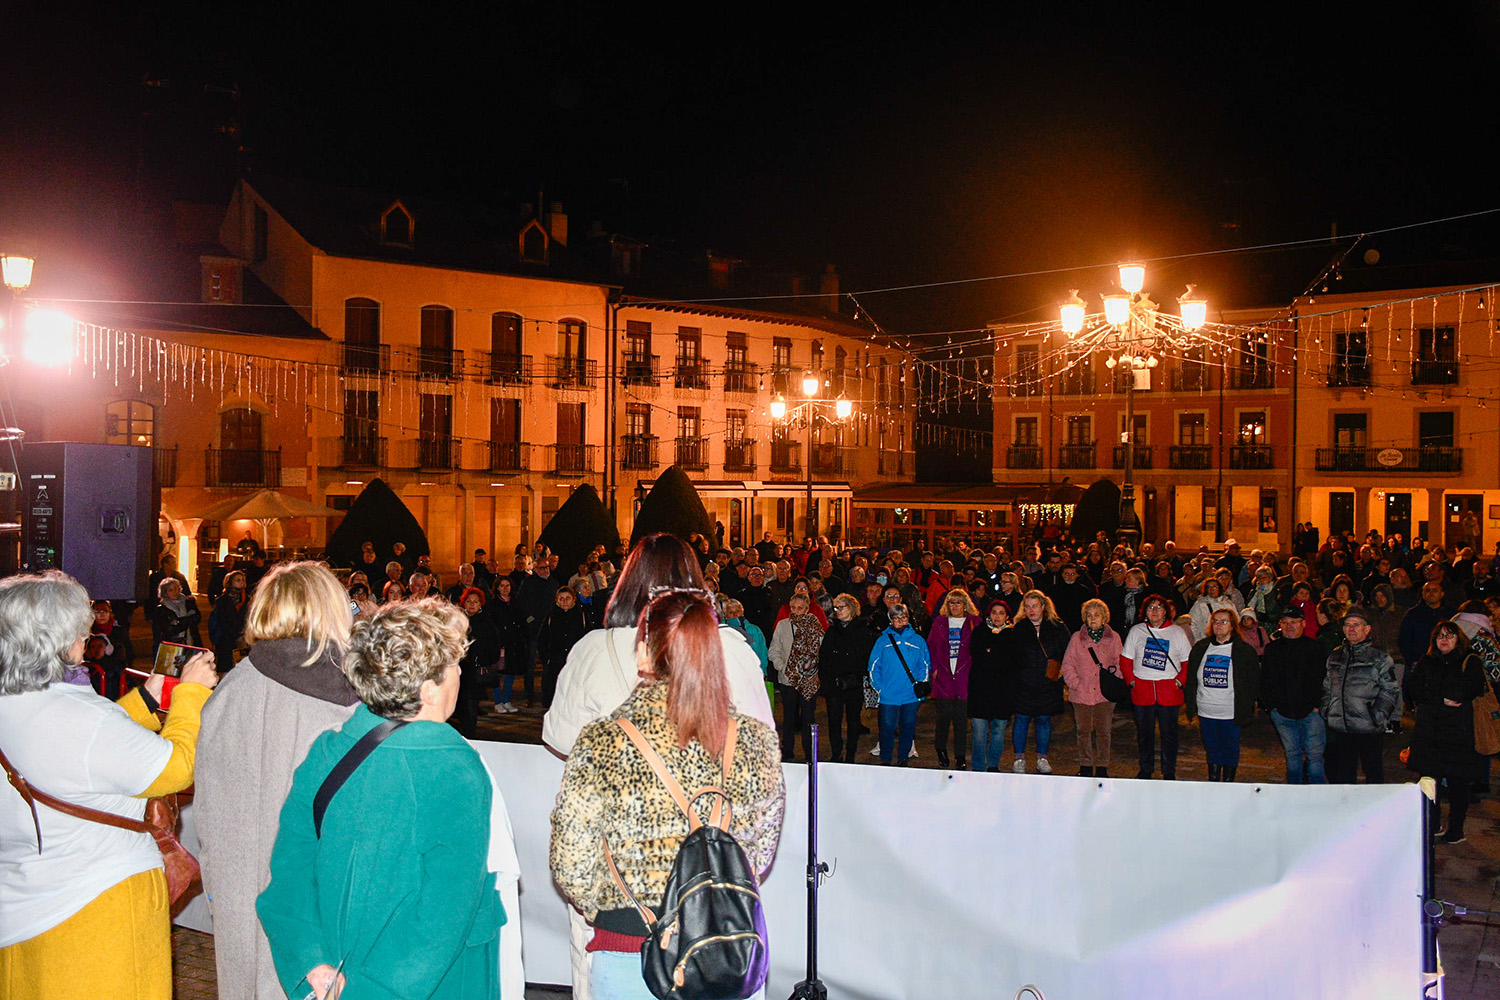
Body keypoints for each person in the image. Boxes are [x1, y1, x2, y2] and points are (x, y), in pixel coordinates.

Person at [542, 534, 776, 1000]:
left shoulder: (599, 699)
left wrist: (606, 906)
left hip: (628, 926)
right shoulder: (746, 698)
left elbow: (571, 850)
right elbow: (761, 838)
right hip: (720, 927)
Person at [257, 599, 505, 1000]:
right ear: (428, 689)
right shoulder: (454, 768)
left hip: (335, 973)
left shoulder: (328, 751)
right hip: (431, 985)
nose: (460, 673)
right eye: (453, 666)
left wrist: (310, 961)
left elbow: (291, 869)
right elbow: (445, 912)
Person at [0, 571, 218, 999]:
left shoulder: (21, 705)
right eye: (80, 630)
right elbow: (175, 768)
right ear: (57, 640)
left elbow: (79, 754)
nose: (89, 635)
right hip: (99, 906)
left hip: (24, 905)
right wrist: (190, 695)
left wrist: (148, 701)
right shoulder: (82, 719)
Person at [193, 562, 360, 1000]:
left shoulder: (229, 691)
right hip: (313, 907)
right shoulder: (347, 700)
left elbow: (208, 812)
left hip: (237, 890)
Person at [1406, 620, 1489, 844]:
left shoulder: (1469, 661)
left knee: (1457, 783)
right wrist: (1440, 698)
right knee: (1428, 782)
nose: (1444, 639)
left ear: (1458, 639)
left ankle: (1456, 829)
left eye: (1449, 635)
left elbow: (1464, 691)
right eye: (1440, 635)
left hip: (1456, 733)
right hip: (1429, 732)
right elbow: (1413, 689)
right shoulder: (1427, 661)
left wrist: (1432, 694)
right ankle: (1432, 824)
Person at [1323, 607, 1401, 784]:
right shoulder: (1336, 655)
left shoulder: (1379, 656)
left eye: (1356, 625)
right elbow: (1327, 686)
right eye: (1347, 625)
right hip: (1342, 726)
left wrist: (1377, 716)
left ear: (1367, 629)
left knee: (1373, 772)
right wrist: (1327, 710)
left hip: (1368, 727)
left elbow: (1390, 689)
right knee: (1343, 773)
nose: (1351, 629)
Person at [1184, 608, 1261, 782]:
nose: (1219, 625)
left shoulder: (1244, 650)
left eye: (1224, 621)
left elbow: (1252, 681)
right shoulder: (1201, 647)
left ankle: (1228, 783)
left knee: (1230, 748)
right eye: (1216, 621)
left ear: (1233, 626)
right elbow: (1191, 677)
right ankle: (1213, 781)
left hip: (1230, 711)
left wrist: (1249, 704)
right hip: (1206, 710)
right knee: (1211, 748)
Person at [1121, 593, 1192, 780]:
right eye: (1151, 607)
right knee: (1144, 734)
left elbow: (1187, 661)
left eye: (1159, 607)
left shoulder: (1177, 632)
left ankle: (1169, 770)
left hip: (1168, 690)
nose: (1155, 611)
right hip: (1143, 689)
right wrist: (1131, 680)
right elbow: (1126, 658)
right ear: (1145, 612)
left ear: (1166, 612)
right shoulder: (1137, 631)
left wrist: (1179, 681)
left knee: (1169, 734)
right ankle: (1146, 768)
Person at [1261, 608, 1328, 784]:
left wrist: (1318, 705)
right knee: (1292, 756)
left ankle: (1318, 795)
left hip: (1312, 712)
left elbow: (1325, 679)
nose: (1290, 626)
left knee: (1315, 757)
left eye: (1294, 622)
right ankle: (1294, 794)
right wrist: (1271, 705)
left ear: (1303, 624)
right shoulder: (1272, 649)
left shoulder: (1316, 648)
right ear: (1280, 625)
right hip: (1282, 713)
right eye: (1285, 622)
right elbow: (1264, 679)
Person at [1008, 590, 1069, 774]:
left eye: (1035, 606)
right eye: (1027, 606)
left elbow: (1068, 652)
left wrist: (1062, 673)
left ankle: (1042, 757)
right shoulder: (1018, 628)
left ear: (1043, 606)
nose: (1031, 610)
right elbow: (1011, 657)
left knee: (1043, 720)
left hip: (1048, 683)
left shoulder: (1057, 627)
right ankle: (1019, 758)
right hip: (1023, 683)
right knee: (1021, 719)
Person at [1061, 598, 1123, 777]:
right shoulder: (1076, 638)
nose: (1093, 619)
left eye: (1097, 615)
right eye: (1089, 615)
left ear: (1104, 617)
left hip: (1104, 693)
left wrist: (1114, 678)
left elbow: (1121, 662)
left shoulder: (1114, 638)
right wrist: (1075, 684)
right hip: (1081, 693)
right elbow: (1068, 664)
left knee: (1104, 731)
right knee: (1083, 731)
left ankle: (1102, 765)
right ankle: (1085, 764)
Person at [868, 604, 930, 765]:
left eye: (903, 617)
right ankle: (886, 759)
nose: (900, 621)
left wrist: (921, 684)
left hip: (910, 694)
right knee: (887, 727)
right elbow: (874, 666)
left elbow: (925, 664)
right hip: (889, 695)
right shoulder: (882, 641)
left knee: (908, 726)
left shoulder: (918, 640)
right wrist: (880, 688)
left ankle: (903, 757)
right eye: (896, 618)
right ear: (891, 620)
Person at [818, 593, 875, 763]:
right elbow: (824, 656)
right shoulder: (832, 631)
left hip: (853, 683)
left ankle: (851, 753)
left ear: (851, 608)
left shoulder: (862, 630)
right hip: (834, 683)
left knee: (853, 721)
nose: (837, 611)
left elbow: (866, 657)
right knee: (834, 721)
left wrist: (856, 676)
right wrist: (827, 679)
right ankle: (836, 752)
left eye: (840, 607)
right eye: (835, 608)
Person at [768, 594, 825, 762]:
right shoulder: (782, 625)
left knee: (808, 717)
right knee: (789, 716)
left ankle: (809, 750)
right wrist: (783, 667)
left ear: (807, 609)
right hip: (788, 678)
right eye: (793, 608)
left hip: (809, 680)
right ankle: (787, 748)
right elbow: (774, 649)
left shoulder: (815, 626)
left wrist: (810, 670)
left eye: (800, 608)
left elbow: (821, 651)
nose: (796, 611)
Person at [926, 589, 979, 769]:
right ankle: (940, 748)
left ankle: (960, 755)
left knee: (961, 720)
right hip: (943, 676)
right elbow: (931, 647)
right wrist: (933, 670)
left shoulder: (974, 622)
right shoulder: (939, 622)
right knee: (944, 717)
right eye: (952, 602)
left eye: (959, 602)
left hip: (965, 676)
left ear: (966, 605)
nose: (955, 606)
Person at [967, 600, 1014, 772]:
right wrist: (994, 655)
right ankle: (978, 767)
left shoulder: (1012, 634)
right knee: (979, 733)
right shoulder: (980, 631)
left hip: (1003, 692)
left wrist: (991, 653)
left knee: (998, 731)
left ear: (1007, 616)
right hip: (980, 690)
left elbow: (1010, 661)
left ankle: (993, 764)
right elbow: (978, 656)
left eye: (1001, 613)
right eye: (994, 612)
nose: (997, 616)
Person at [538, 586, 594, 710]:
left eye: (567, 598)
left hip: (576, 659)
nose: (564, 601)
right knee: (554, 685)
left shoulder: (582, 615)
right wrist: (545, 657)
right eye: (561, 598)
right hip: (555, 658)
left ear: (574, 599)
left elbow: (589, 637)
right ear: (556, 600)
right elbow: (542, 638)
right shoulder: (551, 616)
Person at [455, 588, 500, 738]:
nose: (472, 605)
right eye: (469, 601)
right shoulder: (457, 621)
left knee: (470, 706)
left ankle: (469, 735)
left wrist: (481, 659)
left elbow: (494, 647)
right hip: (458, 669)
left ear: (481, 604)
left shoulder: (486, 623)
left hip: (474, 671)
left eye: (475, 602)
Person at [489, 576, 530, 715]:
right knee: (497, 672)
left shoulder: (515, 602)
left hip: (515, 642)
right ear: (497, 587)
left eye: (507, 585)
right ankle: (498, 701)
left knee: (511, 672)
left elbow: (522, 619)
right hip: (500, 643)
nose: (505, 588)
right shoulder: (493, 604)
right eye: (502, 586)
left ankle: (506, 700)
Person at [208, 569, 249, 674]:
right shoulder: (222, 601)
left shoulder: (248, 600)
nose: (241, 582)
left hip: (244, 640)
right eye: (237, 580)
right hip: (227, 641)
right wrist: (235, 636)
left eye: (242, 580)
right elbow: (223, 623)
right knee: (226, 670)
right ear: (229, 583)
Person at [152, 576, 202, 653]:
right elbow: (170, 629)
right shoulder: (162, 609)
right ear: (165, 593)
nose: (174, 592)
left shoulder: (189, 602)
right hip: (172, 647)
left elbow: (197, 618)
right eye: (170, 590)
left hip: (191, 644)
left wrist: (179, 622)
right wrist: (188, 619)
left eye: (176, 588)